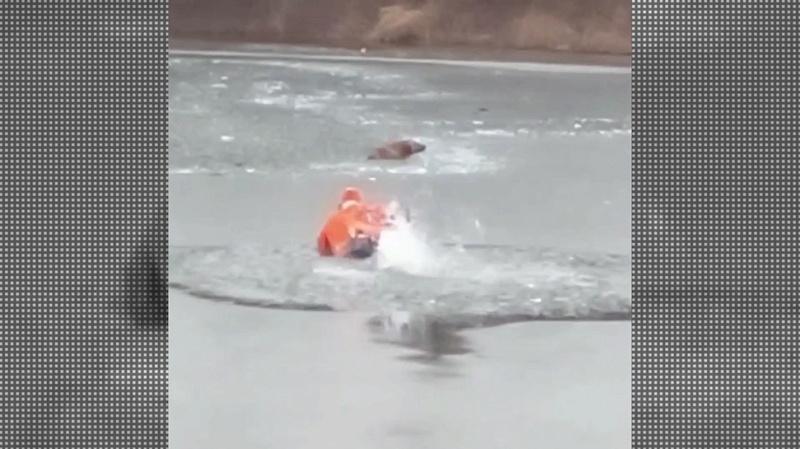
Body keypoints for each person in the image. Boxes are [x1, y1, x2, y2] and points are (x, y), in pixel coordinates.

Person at [316, 187, 389, 259]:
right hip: (367, 245)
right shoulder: (370, 209)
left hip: (345, 252)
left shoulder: (332, 219)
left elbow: (323, 247)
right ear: (360, 201)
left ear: (340, 206)